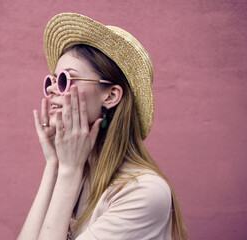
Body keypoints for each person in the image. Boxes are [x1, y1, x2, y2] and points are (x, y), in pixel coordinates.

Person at [18, 13, 187, 240]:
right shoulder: (78, 174)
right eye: (51, 80)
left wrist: (68, 172)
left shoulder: (143, 192)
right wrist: (54, 165)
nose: (51, 90)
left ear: (111, 96)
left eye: (66, 79)